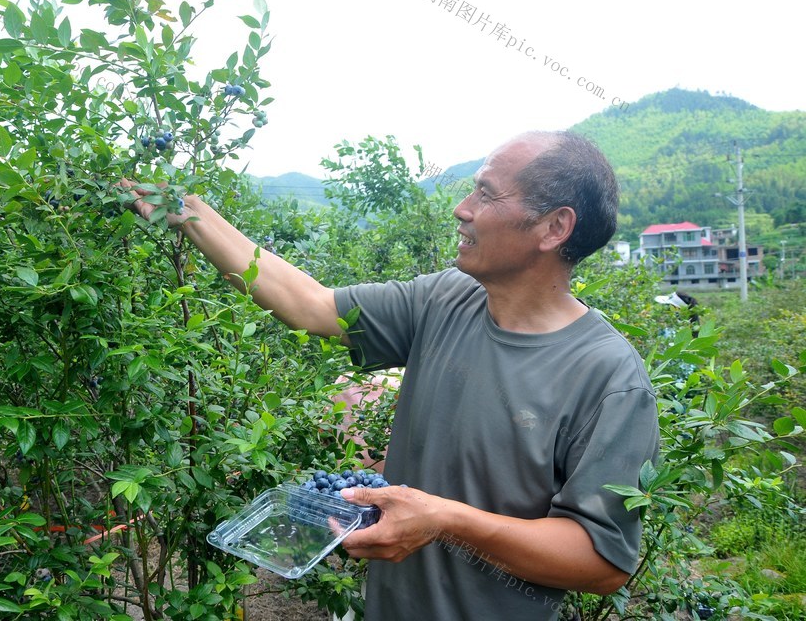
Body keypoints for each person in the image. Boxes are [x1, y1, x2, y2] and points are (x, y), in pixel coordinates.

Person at [123, 131, 659, 620]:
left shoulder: (607, 376)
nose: (462, 209)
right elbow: (311, 305)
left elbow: (602, 563)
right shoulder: (446, 299)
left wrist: (445, 520)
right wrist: (190, 212)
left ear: (554, 227)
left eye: (487, 194)